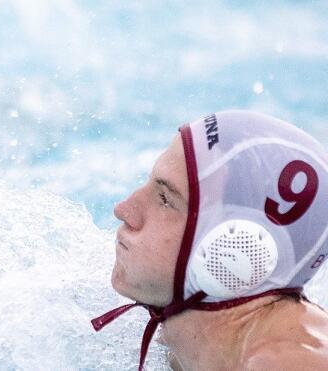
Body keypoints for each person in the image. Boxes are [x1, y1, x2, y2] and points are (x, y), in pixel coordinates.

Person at [92, 110, 328, 370]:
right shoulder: (191, 340)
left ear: (239, 247)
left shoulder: (284, 362)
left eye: (165, 200)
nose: (124, 210)